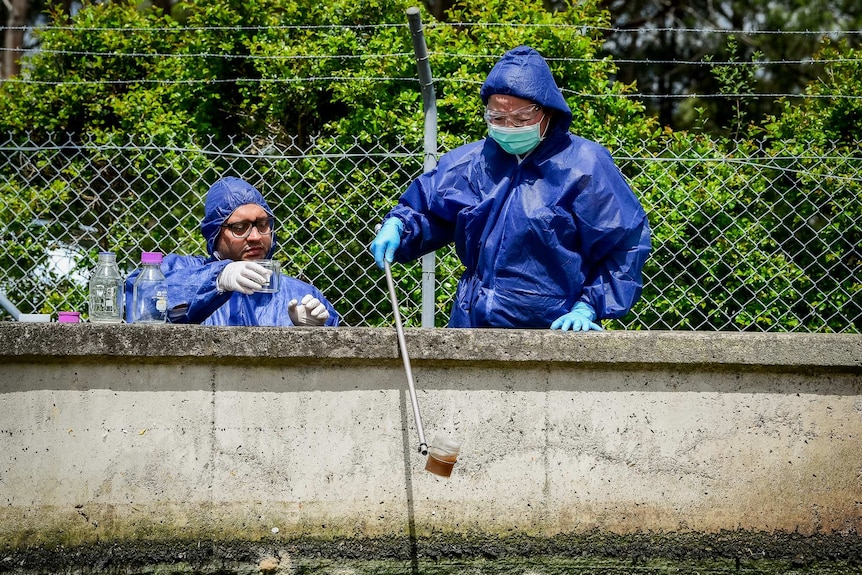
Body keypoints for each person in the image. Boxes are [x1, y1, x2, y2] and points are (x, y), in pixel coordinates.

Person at [370, 45, 650, 331]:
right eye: (498, 119)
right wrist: (399, 225)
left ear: (548, 112)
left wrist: (589, 305)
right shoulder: (471, 164)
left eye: (521, 119)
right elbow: (429, 211)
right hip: (473, 324)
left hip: (555, 327)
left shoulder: (585, 166)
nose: (510, 127)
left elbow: (625, 242)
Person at [125, 176, 339, 326]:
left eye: (263, 224)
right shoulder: (181, 271)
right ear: (214, 234)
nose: (255, 237)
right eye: (239, 228)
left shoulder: (299, 295)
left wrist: (314, 330)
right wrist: (218, 278)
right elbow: (137, 297)